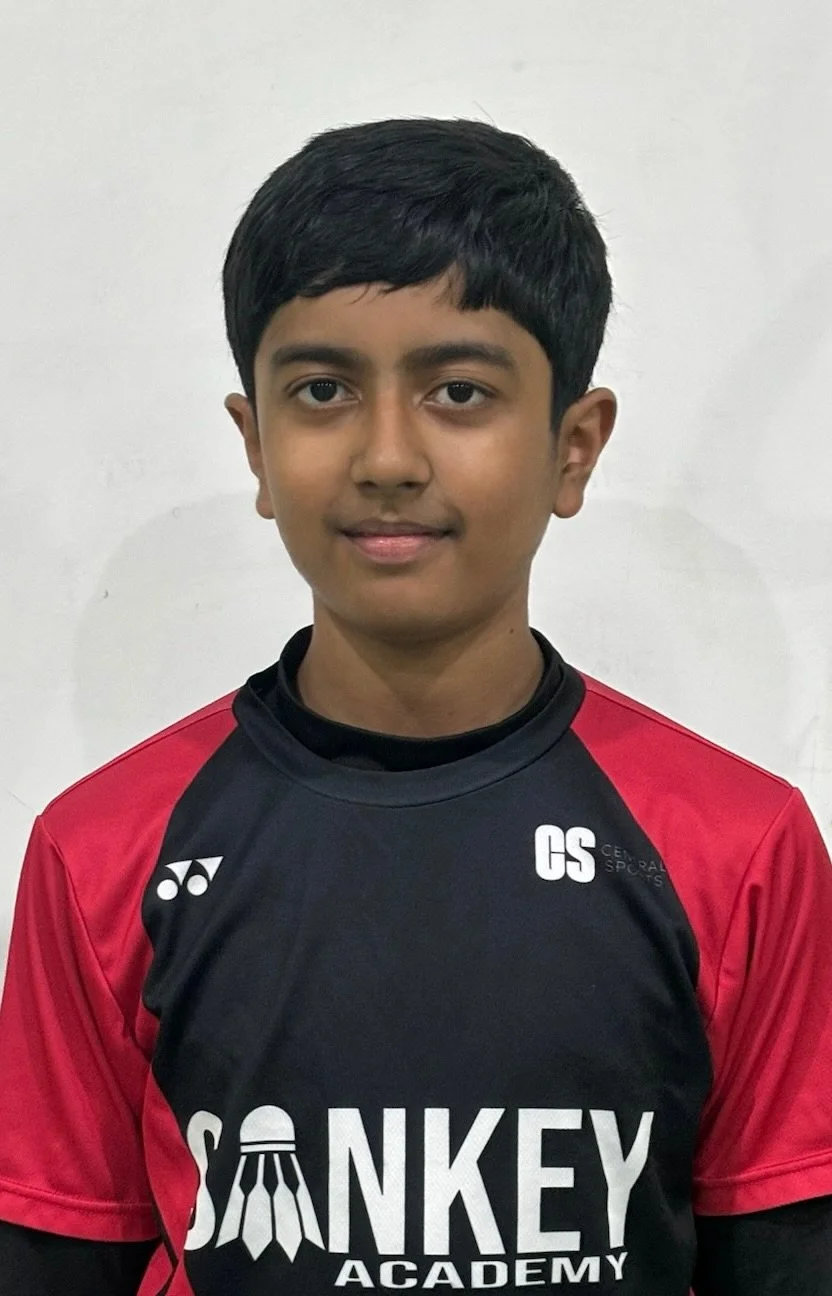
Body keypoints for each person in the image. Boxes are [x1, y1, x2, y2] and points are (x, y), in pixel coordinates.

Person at [0, 116, 830, 1296]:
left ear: (573, 447)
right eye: (323, 389)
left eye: (457, 389)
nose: (387, 455)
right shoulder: (100, 853)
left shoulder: (739, 848)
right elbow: (54, 1252)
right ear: (254, 444)